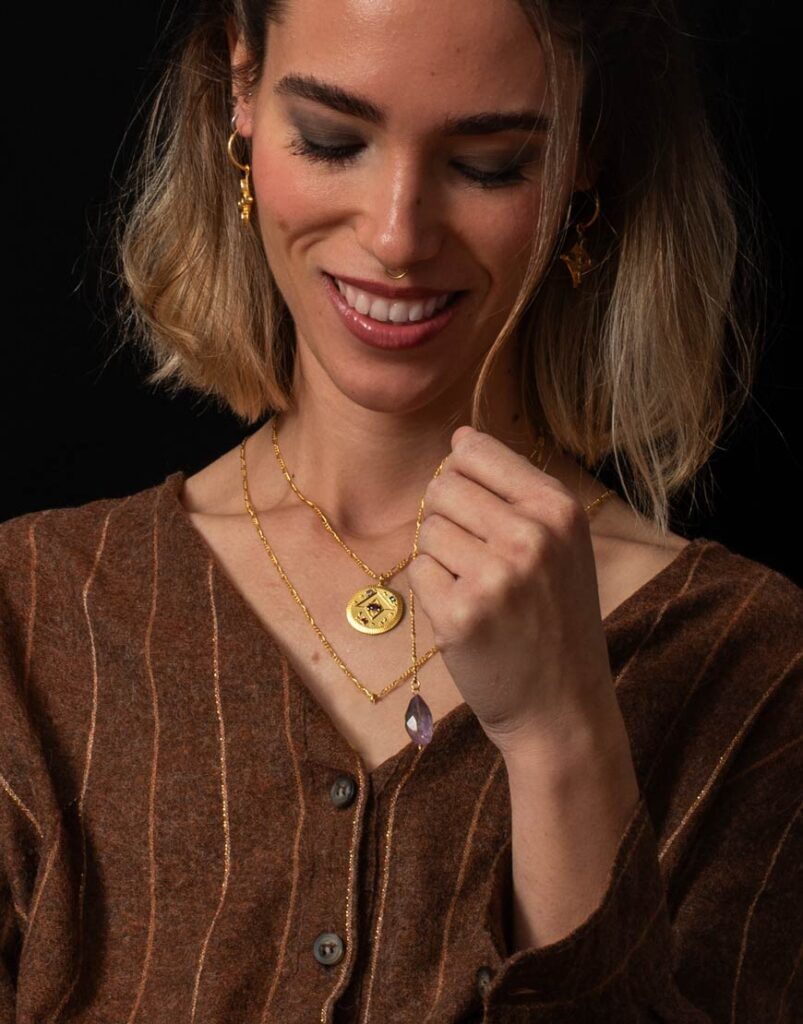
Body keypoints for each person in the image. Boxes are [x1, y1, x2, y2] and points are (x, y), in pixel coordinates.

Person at [1, 0, 800, 1021]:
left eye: (487, 165)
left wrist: (561, 740)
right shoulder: (35, 614)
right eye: (332, 141)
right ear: (240, 88)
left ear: (587, 154)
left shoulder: (751, 665)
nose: (396, 236)